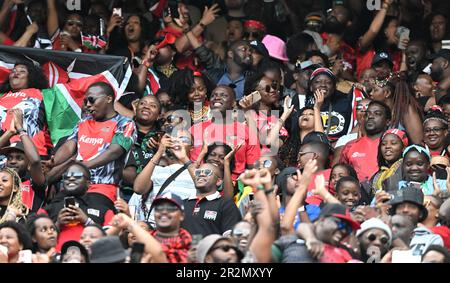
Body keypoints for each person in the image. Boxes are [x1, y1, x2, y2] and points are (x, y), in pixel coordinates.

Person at [49, 82, 137, 205]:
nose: (88, 105)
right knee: (54, 212)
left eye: (92, 100)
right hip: (74, 185)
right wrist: (53, 162)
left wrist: (85, 166)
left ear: (108, 99)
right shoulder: (83, 122)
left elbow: (114, 151)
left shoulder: (125, 123)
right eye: (85, 102)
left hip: (103, 187)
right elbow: (69, 146)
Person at [189, 85, 261, 180]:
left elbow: (254, 167)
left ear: (233, 103)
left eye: (224, 95)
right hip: (197, 181)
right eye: (213, 95)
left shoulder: (246, 131)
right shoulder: (195, 129)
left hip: (232, 185)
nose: (217, 98)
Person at [40, 161, 116, 251]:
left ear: (89, 183)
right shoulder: (49, 209)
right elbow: (35, 238)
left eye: (77, 176)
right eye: (67, 177)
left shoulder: (103, 208)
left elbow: (112, 237)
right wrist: (57, 225)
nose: (71, 178)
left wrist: (87, 221)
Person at [132, 130, 196, 225]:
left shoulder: (196, 169)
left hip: (185, 226)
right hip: (155, 226)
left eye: (183, 139)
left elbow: (204, 186)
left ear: (191, 148)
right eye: (174, 138)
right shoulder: (156, 169)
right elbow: (138, 189)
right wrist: (159, 152)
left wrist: (184, 158)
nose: (178, 141)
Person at [0, 108, 46, 212]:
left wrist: (20, 129)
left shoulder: (34, 183)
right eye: (9, 157)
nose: (12, 161)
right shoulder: (1, 182)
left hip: (27, 226)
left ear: (28, 164)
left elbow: (35, 161)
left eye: (19, 158)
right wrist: (10, 132)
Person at [181, 163, 241, 237]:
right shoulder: (181, 204)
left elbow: (231, 237)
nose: (201, 174)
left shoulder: (226, 205)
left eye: (207, 172)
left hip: (212, 247)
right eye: (198, 172)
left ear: (218, 181)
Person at [287, 203, 360, 263]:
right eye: (340, 223)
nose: (344, 231)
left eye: (348, 228)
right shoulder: (302, 243)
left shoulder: (345, 251)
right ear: (322, 220)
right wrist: (311, 239)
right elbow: (303, 227)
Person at [340, 101, 391, 182]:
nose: (370, 116)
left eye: (377, 113)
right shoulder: (350, 146)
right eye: (367, 114)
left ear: (388, 122)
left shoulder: (391, 146)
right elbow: (341, 175)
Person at [387, 186, 444, 257]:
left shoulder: (432, 239)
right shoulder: (384, 234)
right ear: (395, 211)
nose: (405, 210)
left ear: (420, 214)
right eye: (401, 206)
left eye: (412, 207)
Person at [149, 193, 192, 263]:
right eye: (159, 208)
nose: (164, 212)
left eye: (171, 209)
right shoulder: (142, 241)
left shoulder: (192, 247)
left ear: (182, 216)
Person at [371, 128, 408, 195]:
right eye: (384, 144)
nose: (387, 146)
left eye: (393, 143)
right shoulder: (378, 174)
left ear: (403, 148)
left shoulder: (407, 168)